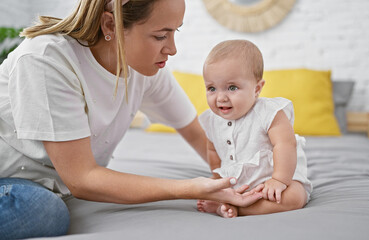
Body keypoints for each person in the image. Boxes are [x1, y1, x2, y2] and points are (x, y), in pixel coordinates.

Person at [0, 1, 264, 239]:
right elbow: (81, 178)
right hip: (8, 177)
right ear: (110, 24)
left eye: (175, 32)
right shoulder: (46, 60)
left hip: (52, 185)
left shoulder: (144, 69)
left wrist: (233, 179)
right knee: (44, 211)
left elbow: (198, 133)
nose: (172, 49)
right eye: (161, 35)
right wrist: (192, 188)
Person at [196, 40, 313, 218]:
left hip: (274, 180)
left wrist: (279, 180)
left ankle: (239, 209)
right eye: (211, 88)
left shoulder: (269, 112)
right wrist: (217, 180)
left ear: (257, 88)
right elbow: (212, 149)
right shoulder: (211, 120)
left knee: (295, 197)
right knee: (203, 190)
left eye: (232, 87)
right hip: (237, 185)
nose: (220, 97)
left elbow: (285, 144)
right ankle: (228, 202)